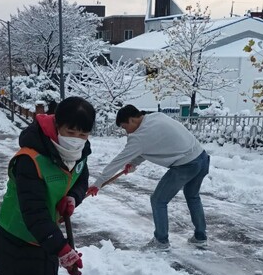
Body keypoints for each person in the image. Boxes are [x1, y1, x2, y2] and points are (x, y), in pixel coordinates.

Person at [0, 96, 96, 275]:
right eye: (71, 131)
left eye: (83, 133)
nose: (77, 139)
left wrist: (73, 197)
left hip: (46, 231)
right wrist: (63, 251)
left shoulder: (79, 152)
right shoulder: (30, 159)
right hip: (20, 232)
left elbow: (81, 177)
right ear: (56, 124)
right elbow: (35, 214)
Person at [88, 104, 210, 250]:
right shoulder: (156, 117)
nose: (126, 132)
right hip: (202, 158)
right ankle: (200, 237)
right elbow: (150, 146)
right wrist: (133, 163)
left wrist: (98, 183)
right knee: (193, 196)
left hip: (186, 165)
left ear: (132, 120)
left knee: (158, 200)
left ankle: (161, 241)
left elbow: (118, 161)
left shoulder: (139, 137)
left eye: (125, 127)